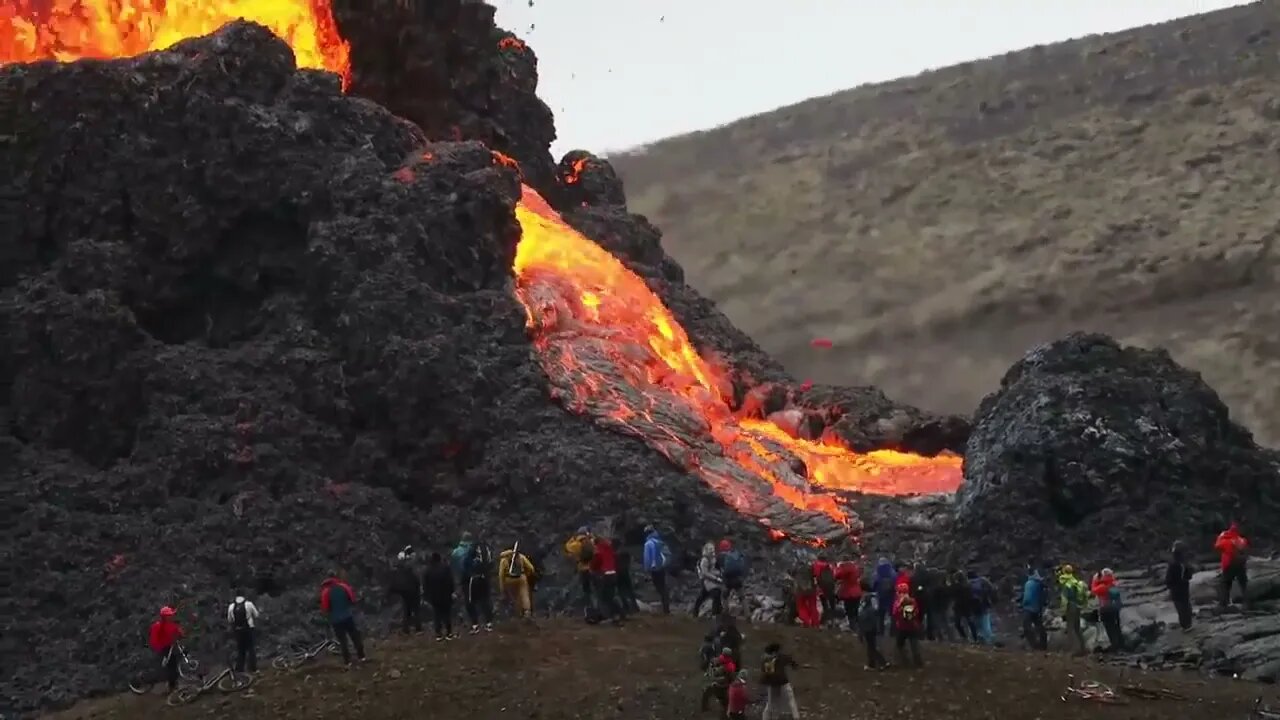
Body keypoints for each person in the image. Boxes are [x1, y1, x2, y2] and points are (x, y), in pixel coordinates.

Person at [452, 533, 495, 633]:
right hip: (484, 577)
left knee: (470, 601)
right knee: (485, 600)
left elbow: (463, 565)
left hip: (470, 579)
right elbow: (491, 564)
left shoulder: (462, 550)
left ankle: (475, 625)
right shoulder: (485, 549)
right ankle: (489, 623)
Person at [320, 574, 366, 665]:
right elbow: (352, 600)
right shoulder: (344, 587)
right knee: (355, 636)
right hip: (348, 616)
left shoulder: (326, 592)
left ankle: (347, 661)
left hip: (336, 620)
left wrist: (327, 618)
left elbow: (325, 608)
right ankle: (361, 656)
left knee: (342, 641)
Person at [759, 642, 801, 719]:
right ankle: (796, 717)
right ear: (775, 651)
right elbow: (790, 660)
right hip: (782, 682)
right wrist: (794, 665)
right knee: (791, 701)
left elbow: (765, 673)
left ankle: (769, 718)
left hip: (773, 684)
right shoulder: (779, 657)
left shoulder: (765, 659)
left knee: (771, 704)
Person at [148, 606, 184, 692]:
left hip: (169, 646)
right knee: (170, 665)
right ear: (164, 617)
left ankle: (173, 682)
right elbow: (154, 640)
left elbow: (178, 632)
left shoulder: (170, 624)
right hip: (162, 648)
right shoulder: (158, 626)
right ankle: (171, 685)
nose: (171, 617)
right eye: (169, 615)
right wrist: (159, 649)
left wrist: (180, 635)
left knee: (173, 663)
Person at [1214, 522, 1249, 609]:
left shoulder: (1224, 538)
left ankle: (1223, 603)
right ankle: (1247, 601)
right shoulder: (1242, 540)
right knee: (1243, 583)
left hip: (1229, 563)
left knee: (1225, 583)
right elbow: (1244, 549)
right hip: (1240, 563)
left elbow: (1217, 546)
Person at [590, 534, 624, 623]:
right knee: (611, 596)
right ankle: (619, 613)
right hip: (613, 574)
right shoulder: (609, 549)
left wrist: (592, 570)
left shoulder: (598, 550)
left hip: (604, 576)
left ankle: (607, 616)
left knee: (602, 598)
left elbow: (595, 564)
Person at [423, 552, 457, 641]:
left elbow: (425, 585)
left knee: (437, 615)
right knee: (447, 615)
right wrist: (452, 592)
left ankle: (438, 634)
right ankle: (449, 633)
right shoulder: (445, 568)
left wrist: (426, 596)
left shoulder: (428, 570)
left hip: (434, 597)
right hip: (446, 595)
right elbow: (450, 581)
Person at [1057, 564, 1089, 656]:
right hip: (1077, 606)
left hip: (1070, 607)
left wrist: (1062, 611)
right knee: (1077, 627)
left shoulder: (1066, 583)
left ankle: (1073, 650)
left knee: (1070, 628)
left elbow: (1064, 599)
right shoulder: (1075, 581)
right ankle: (1083, 648)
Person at [498, 543, 536, 619]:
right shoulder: (521, 557)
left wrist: (502, 587)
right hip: (521, 577)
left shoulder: (504, 559)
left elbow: (501, 574)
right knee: (524, 594)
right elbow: (531, 569)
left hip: (509, 579)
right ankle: (527, 612)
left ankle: (517, 614)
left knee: (514, 597)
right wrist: (526, 575)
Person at [389, 552, 423, 634]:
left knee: (406, 612)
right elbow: (417, 583)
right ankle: (418, 628)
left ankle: (406, 629)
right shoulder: (412, 574)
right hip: (414, 594)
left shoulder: (400, 573)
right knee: (416, 612)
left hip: (405, 594)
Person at [1091, 568, 1124, 651]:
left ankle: (1114, 645)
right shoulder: (1114, 584)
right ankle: (1121, 643)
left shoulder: (1102, 587)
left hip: (1105, 609)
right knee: (1117, 626)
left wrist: (1095, 580)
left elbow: (1093, 590)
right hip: (1115, 608)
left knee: (1109, 628)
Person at [563, 526, 596, 610]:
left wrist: (572, 538)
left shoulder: (576, 544)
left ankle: (590, 607)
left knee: (587, 590)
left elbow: (567, 546)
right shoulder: (591, 541)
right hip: (594, 568)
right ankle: (599, 607)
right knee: (597, 589)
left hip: (583, 569)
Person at [226, 594, 261, 673]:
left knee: (241, 650)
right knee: (251, 648)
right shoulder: (249, 604)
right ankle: (253, 668)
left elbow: (230, 620)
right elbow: (256, 615)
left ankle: (240, 669)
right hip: (249, 629)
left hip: (238, 631)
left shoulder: (231, 607)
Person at [892, 582, 924, 667]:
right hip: (913, 626)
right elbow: (917, 612)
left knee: (899, 645)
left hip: (902, 627)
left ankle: (904, 661)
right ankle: (918, 662)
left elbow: (894, 613)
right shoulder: (913, 601)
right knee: (914, 645)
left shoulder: (898, 602)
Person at [642, 525, 672, 614]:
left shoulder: (648, 543)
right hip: (662, 567)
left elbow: (647, 558)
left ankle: (664, 608)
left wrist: (646, 570)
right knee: (663, 587)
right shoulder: (660, 541)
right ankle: (666, 607)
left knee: (659, 587)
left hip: (654, 569)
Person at [1166, 541, 1195, 629]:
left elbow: (1188, 576)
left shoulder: (1183, 565)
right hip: (1178, 591)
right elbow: (1169, 580)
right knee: (1183, 609)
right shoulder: (1174, 565)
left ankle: (1187, 625)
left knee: (1186, 608)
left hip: (1183, 590)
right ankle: (1186, 626)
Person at [1020, 567, 1048, 650]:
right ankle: (1043, 645)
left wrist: (1023, 604)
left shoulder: (1029, 583)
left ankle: (1034, 644)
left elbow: (1026, 597)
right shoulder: (1039, 584)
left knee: (1027, 626)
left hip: (1028, 608)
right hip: (1036, 608)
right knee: (1039, 626)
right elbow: (1042, 597)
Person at [692, 542, 724, 617]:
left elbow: (714, 568)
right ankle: (715, 613)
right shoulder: (705, 560)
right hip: (707, 580)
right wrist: (716, 577)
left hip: (712, 580)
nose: (712, 550)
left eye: (713, 549)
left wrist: (719, 573)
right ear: (706, 550)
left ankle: (716, 612)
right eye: (710, 549)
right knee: (715, 594)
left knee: (703, 596)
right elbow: (705, 573)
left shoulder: (714, 558)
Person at [857, 594, 888, 669]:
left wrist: (861, 633)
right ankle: (873, 663)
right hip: (871, 630)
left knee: (871, 648)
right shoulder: (871, 610)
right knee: (871, 648)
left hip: (868, 631)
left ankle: (881, 663)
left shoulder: (866, 611)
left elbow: (862, 622)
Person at [719, 540, 750, 615]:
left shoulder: (721, 556)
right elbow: (744, 564)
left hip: (727, 580)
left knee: (724, 596)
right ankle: (748, 616)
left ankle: (726, 612)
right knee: (742, 598)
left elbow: (720, 569)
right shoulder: (736, 553)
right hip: (738, 579)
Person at [700, 648, 735, 715]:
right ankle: (726, 711)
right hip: (722, 684)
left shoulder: (724, 664)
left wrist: (714, 671)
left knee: (707, 694)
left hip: (720, 684)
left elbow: (715, 673)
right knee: (722, 700)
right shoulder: (730, 664)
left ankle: (705, 708)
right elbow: (731, 677)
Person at [833, 559, 863, 631]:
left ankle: (853, 628)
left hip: (849, 594)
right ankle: (859, 627)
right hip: (857, 592)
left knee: (850, 611)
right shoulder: (855, 567)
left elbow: (837, 575)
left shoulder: (845, 568)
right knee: (855, 610)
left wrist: (837, 567)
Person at [968, 570, 996, 645]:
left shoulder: (968, 584)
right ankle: (988, 640)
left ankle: (977, 639)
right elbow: (992, 589)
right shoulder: (983, 580)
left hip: (973, 607)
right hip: (984, 605)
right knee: (986, 623)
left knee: (976, 623)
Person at [949, 570, 977, 642]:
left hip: (959, 606)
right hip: (967, 606)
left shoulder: (956, 586)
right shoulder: (968, 585)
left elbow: (952, 594)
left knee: (957, 623)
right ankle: (975, 638)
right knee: (970, 623)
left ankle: (964, 636)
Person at [613, 536, 639, 613]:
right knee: (630, 590)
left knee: (621, 591)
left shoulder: (615, 553)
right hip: (626, 572)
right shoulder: (625, 551)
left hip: (618, 573)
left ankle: (626, 607)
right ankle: (634, 607)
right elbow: (629, 562)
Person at [792, 561, 820, 628]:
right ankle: (815, 623)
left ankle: (807, 621)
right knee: (813, 606)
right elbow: (816, 577)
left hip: (800, 590)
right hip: (811, 590)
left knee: (801, 607)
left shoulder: (796, 570)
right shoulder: (810, 569)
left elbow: (793, 575)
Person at [812, 554, 837, 625]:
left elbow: (815, 575)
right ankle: (832, 620)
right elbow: (834, 576)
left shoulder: (817, 565)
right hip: (830, 587)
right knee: (832, 604)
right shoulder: (829, 566)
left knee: (824, 604)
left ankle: (823, 621)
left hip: (821, 588)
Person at [873, 557, 896, 634]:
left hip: (880, 595)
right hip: (890, 595)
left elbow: (875, 583)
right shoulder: (892, 571)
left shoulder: (878, 571)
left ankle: (880, 631)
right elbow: (895, 581)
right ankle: (892, 631)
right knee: (892, 614)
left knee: (880, 615)